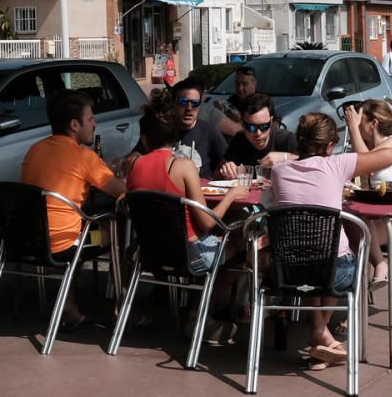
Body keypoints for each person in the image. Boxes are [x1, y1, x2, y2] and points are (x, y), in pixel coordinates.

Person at [269, 112, 392, 370]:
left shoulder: (278, 171)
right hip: (334, 272)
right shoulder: (337, 165)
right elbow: (390, 155)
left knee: (307, 265)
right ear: (329, 146)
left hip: (287, 270)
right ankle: (320, 332)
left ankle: (321, 337)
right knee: (330, 264)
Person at [126, 89, 249, 342]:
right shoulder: (182, 166)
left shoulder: (134, 166)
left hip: (150, 253)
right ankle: (199, 313)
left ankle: (197, 311)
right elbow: (207, 223)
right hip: (190, 256)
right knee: (242, 245)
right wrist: (231, 195)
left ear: (145, 139)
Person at [20, 89, 127, 329]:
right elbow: (122, 192)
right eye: (90, 119)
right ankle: (122, 308)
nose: (95, 124)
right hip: (64, 243)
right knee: (117, 228)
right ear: (74, 124)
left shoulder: (34, 150)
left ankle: (68, 304)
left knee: (81, 224)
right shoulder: (83, 157)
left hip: (26, 239)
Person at [345, 100, 392, 292]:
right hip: (372, 216)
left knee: (357, 233)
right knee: (346, 225)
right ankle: (352, 308)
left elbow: (364, 162)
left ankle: (380, 266)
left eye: (360, 122)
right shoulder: (364, 147)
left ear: (373, 123)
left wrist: (352, 128)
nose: (357, 127)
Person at [217, 93, 298, 179]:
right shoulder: (239, 139)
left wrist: (284, 158)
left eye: (264, 126)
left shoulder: (286, 139)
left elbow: (311, 163)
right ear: (242, 125)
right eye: (251, 127)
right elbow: (216, 174)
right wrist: (225, 171)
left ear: (271, 122)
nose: (258, 133)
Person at [170, 78, 228, 179]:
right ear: (173, 104)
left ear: (200, 105)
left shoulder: (209, 130)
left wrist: (224, 171)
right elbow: (135, 157)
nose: (189, 108)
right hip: (168, 192)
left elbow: (229, 161)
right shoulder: (162, 129)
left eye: (195, 103)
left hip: (202, 192)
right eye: (183, 102)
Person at [199, 65, 258, 138]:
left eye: (244, 84)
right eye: (237, 84)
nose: (240, 88)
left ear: (254, 83)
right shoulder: (230, 102)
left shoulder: (262, 103)